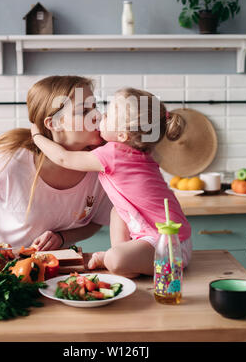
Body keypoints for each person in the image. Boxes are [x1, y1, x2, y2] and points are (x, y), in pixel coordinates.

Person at [31, 86, 192, 277]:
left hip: (170, 247)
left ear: (123, 136)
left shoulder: (113, 154)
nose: (100, 117)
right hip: (169, 239)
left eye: (107, 116)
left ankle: (115, 258)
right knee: (116, 211)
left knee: (114, 259)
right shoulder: (138, 152)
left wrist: (36, 135)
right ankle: (128, 260)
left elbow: (64, 158)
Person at [0, 75, 113, 250]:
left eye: (95, 107)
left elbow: (96, 221)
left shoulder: (100, 166)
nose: (98, 116)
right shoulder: (12, 160)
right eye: (84, 111)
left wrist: (61, 238)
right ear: (53, 123)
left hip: (52, 268)